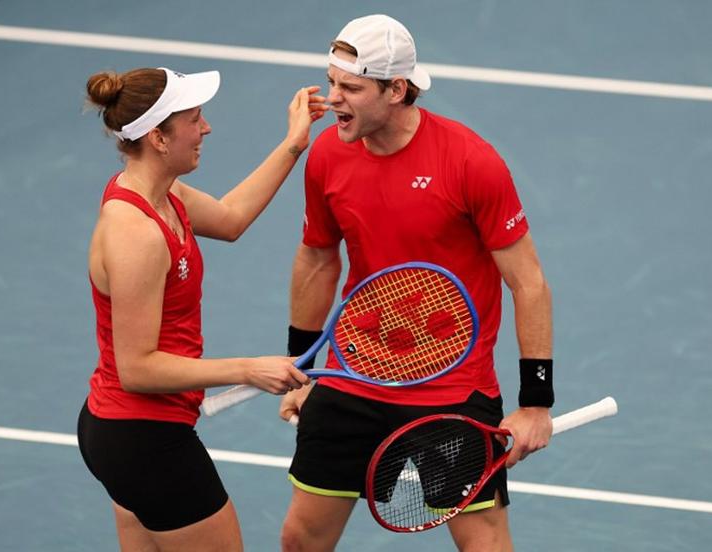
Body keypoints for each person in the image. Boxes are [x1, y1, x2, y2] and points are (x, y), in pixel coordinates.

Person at [278, 15, 553, 552]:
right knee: (300, 539)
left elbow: (528, 282)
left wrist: (536, 401)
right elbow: (317, 260)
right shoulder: (328, 155)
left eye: (350, 88)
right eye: (332, 82)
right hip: (353, 375)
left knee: (483, 542)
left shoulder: (470, 161)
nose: (333, 98)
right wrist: (301, 369)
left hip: (452, 387)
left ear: (397, 89)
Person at [76, 66, 327, 551]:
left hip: (125, 435)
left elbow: (232, 219)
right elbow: (137, 368)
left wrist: (295, 142)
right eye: (194, 118)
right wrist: (249, 370)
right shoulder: (137, 232)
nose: (206, 128)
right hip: (144, 439)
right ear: (158, 138)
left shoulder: (164, 195)